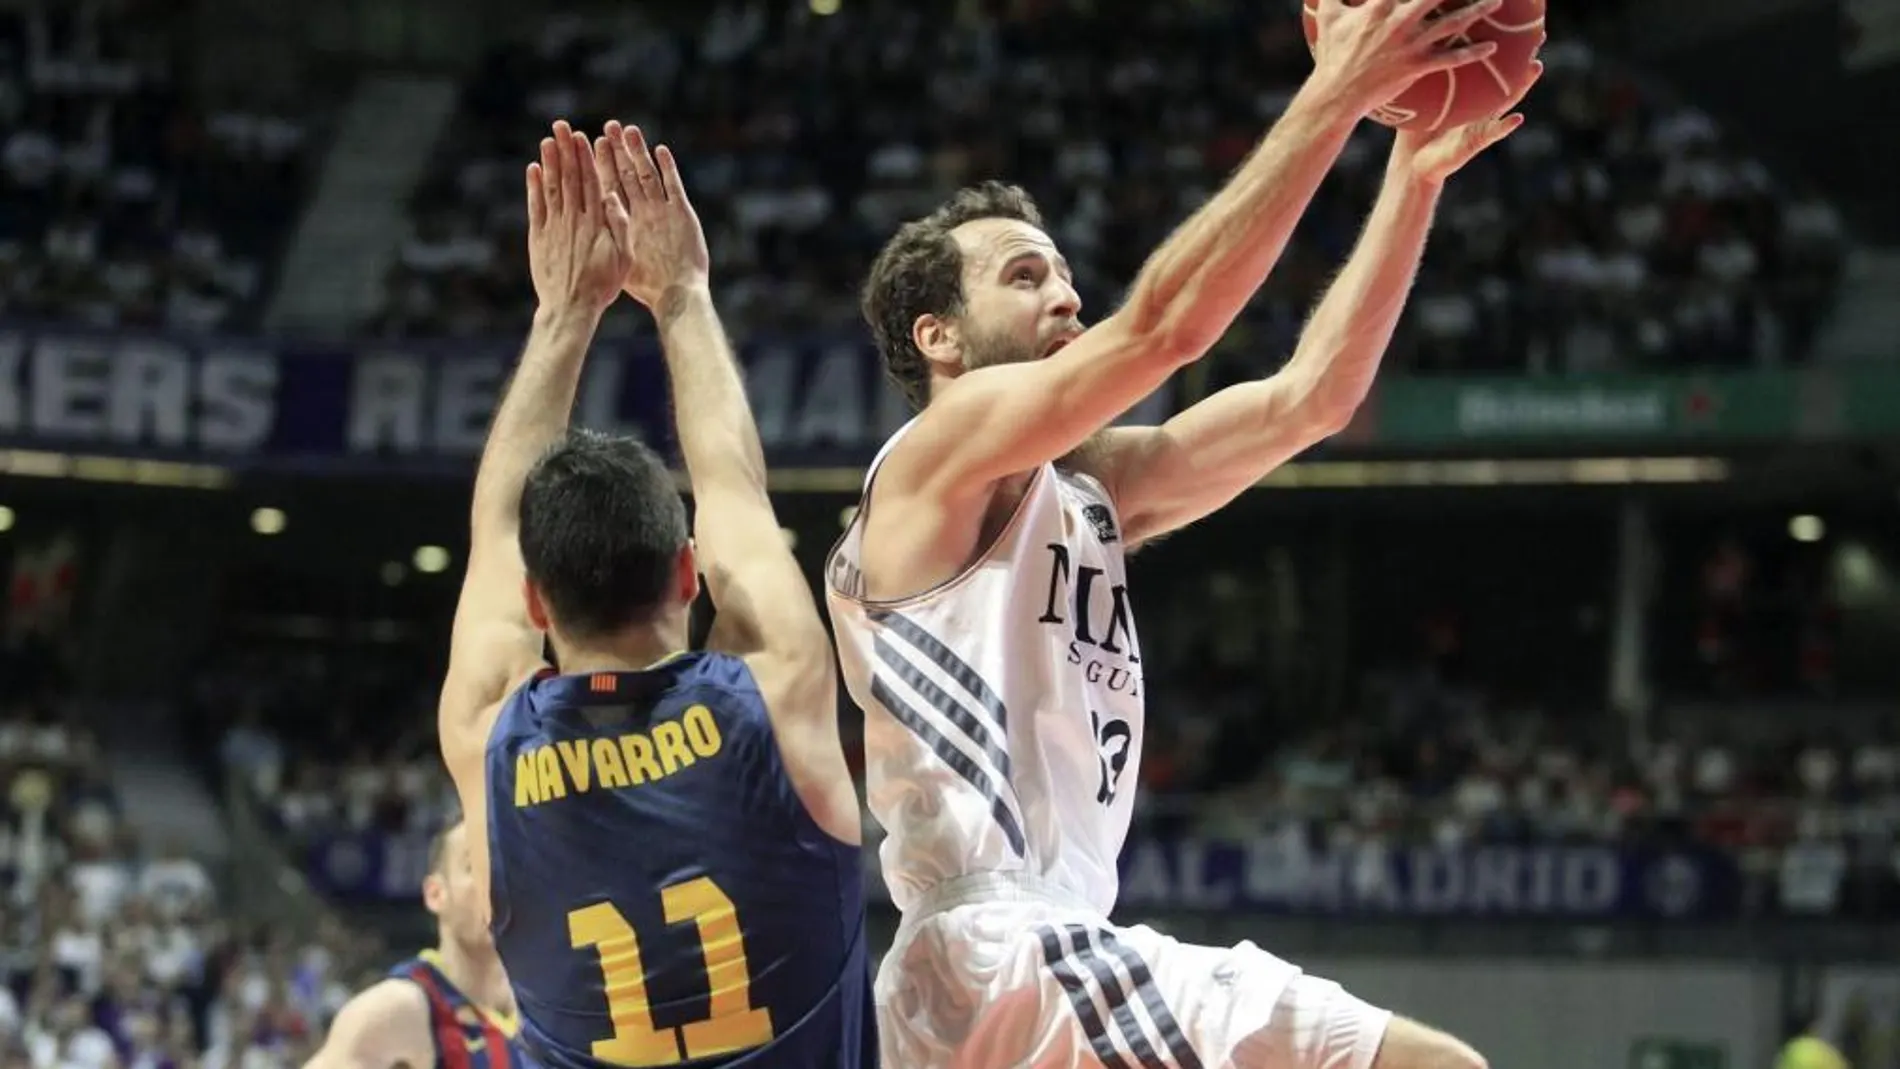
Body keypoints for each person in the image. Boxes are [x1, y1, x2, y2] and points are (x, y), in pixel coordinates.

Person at [823, 0, 1543, 1065]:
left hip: (1020, 961)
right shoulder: (939, 456)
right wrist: (1336, 88)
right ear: (939, 338)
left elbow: (1308, 401)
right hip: (1006, 948)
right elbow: (1169, 327)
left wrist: (1413, 175)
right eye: (1024, 277)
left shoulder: (1083, 488)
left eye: (1065, 272)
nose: (1065, 294)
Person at [434, 120, 872, 1068]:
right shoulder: (776, 694)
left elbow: (497, 528)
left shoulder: (488, 734)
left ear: (537, 605)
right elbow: (732, 489)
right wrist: (681, 296)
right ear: (689, 573)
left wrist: (563, 315)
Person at [302, 820, 522, 1069]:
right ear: (435, 894)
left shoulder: (551, 1012)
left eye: (507, 867)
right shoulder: (398, 1010)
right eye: (475, 867)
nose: (496, 883)